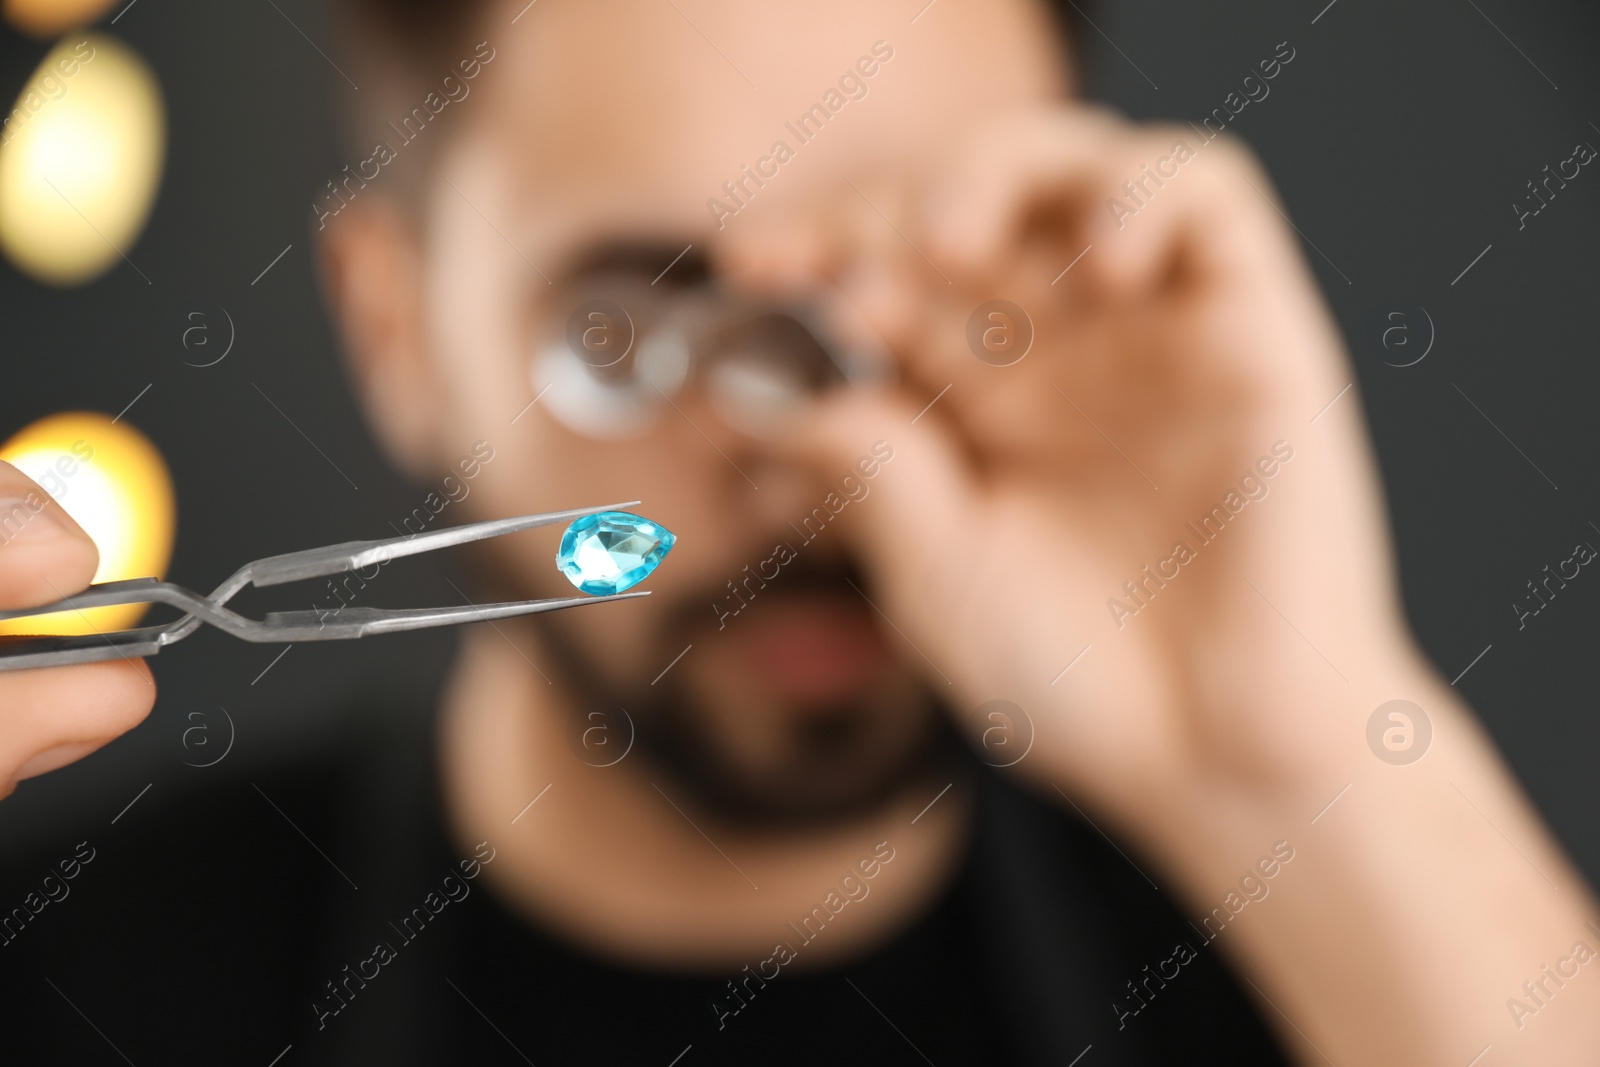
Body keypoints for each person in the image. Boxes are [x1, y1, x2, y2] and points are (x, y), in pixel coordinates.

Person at [2, 0, 1597, 1063]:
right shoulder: (69, 976)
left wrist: (1298, 771)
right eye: (629, 325)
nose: (798, 462)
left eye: (902, 296)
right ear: (395, 326)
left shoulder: (1322, 973)